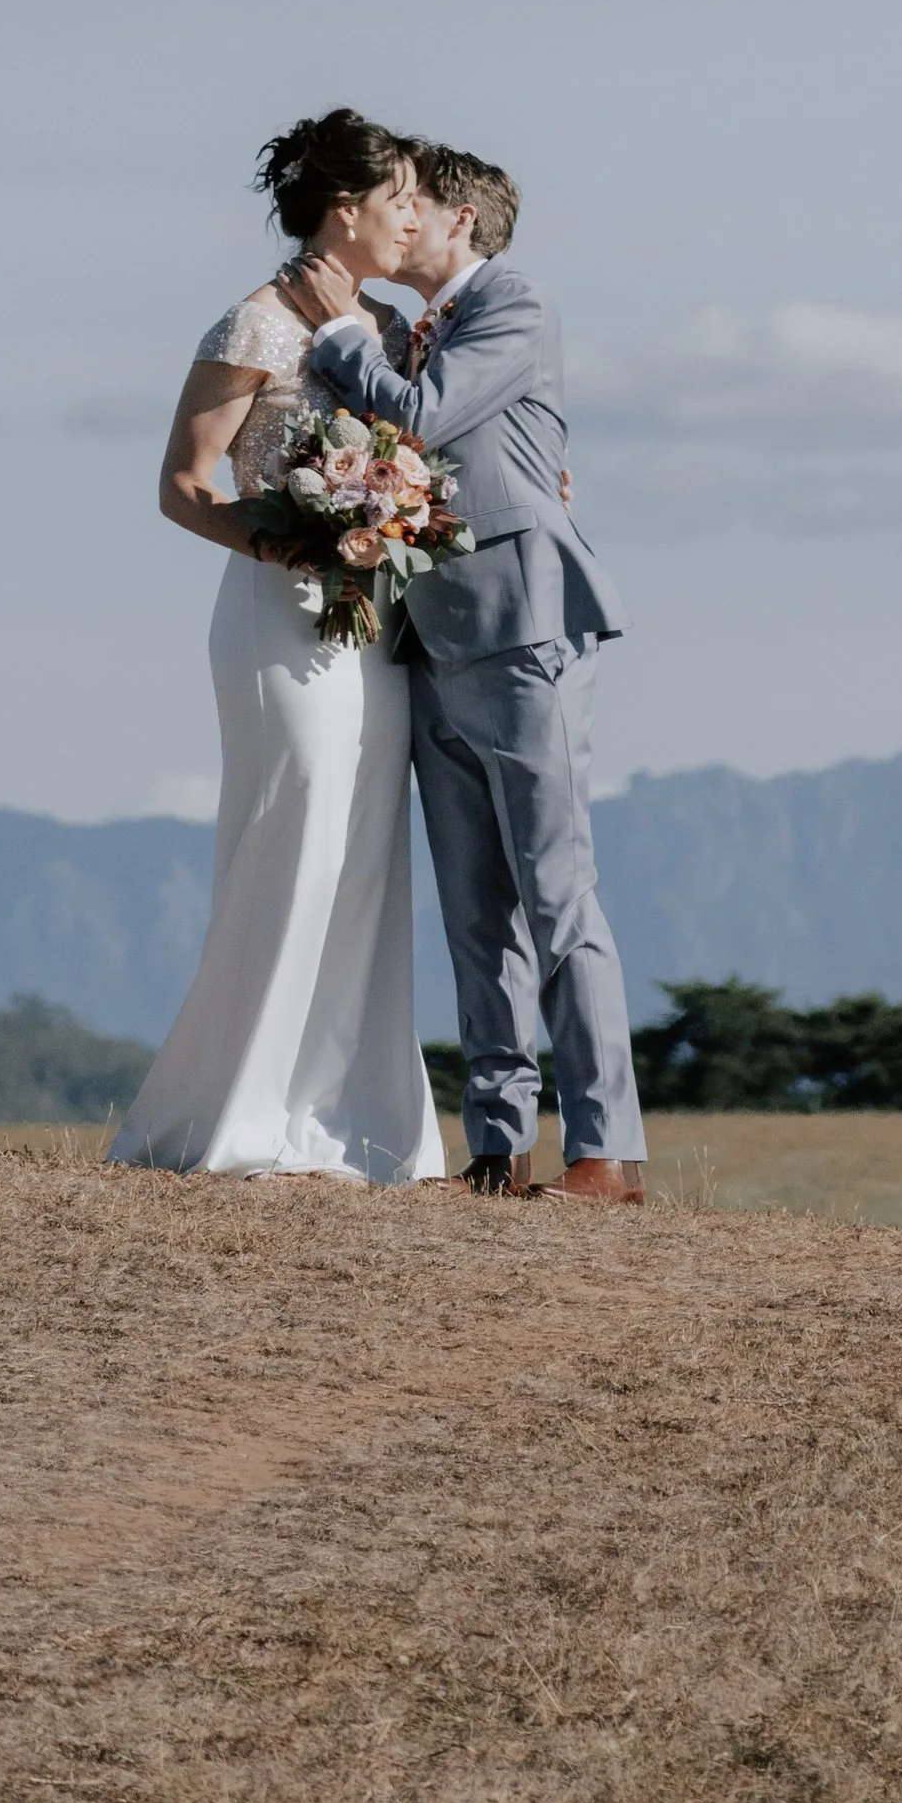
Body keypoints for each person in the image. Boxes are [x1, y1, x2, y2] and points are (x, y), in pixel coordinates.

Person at [106, 109, 447, 1184]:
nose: (412, 219)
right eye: (398, 200)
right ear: (345, 208)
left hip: (375, 622)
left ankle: (355, 1121)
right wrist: (290, 536)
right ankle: (238, 1115)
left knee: (365, 856)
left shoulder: (390, 331)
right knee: (289, 841)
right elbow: (183, 482)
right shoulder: (251, 323)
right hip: (277, 614)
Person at [308, 140, 647, 1202]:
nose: (395, 218)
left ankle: (605, 1151)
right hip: (430, 640)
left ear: (460, 218)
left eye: (413, 204)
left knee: (556, 894)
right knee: (472, 912)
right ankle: (497, 1150)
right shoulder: (411, 330)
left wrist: (335, 331)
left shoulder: (512, 299)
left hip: (523, 624)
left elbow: (415, 419)